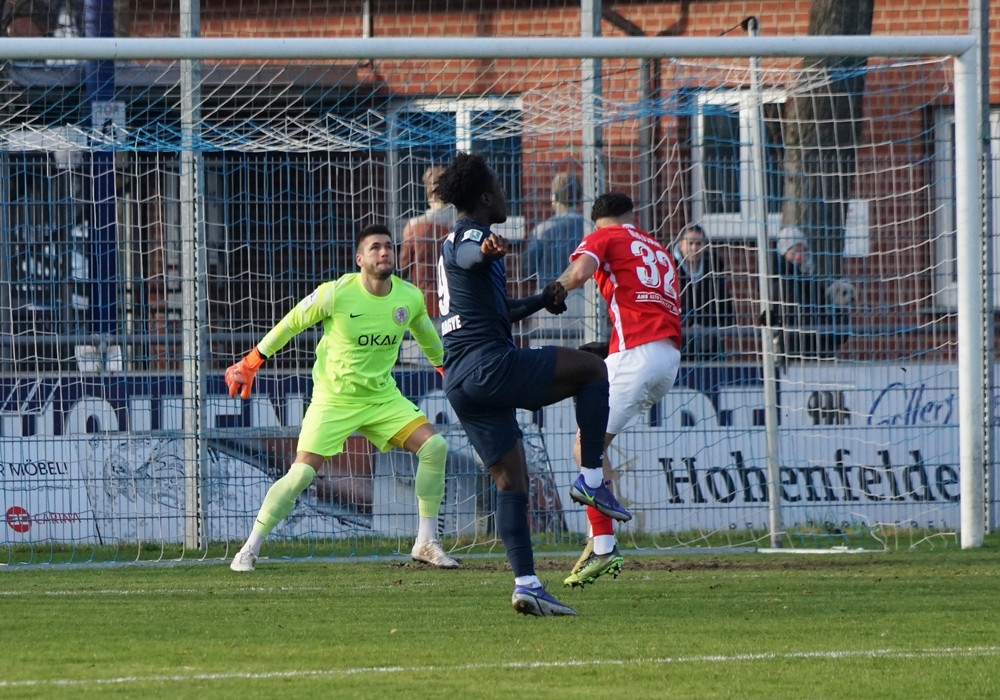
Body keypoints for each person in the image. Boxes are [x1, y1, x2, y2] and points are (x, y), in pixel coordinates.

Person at [435, 152, 629, 617]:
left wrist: (543, 299)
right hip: (489, 365)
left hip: (462, 381)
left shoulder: (456, 239)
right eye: (500, 187)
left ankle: (527, 584)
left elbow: (497, 311)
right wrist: (485, 252)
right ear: (486, 197)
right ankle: (592, 481)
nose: (507, 195)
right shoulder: (470, 236)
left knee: (511, 481)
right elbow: (469, 253)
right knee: (592, 370)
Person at [226, 223, 459, 572]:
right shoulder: (335, 294)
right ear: (359, 259)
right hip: (333, 400)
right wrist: (251, 362)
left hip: (381, 398)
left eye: (389, 246)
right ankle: (249, 549)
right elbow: (291, 323)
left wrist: (450, 375)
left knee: (435, 447)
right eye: (375, 247)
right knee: (300, 475)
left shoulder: (408, 297)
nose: (385, 252)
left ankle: (426, 542)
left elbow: (429, 341)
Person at [553, 192, 682, 588]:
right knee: (593, 444)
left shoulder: (604, 237)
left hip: (637, 356)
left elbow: (578, 273)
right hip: (669, 358)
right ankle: (599, 539)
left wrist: (552, 292)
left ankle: (604, 545)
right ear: (632, 216)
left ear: (597, 222)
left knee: (584, 447)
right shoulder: (658, 248)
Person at [768, 226, 852, 363]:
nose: (799, 256)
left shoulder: (807, 281)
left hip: (816, 354)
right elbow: (802, 319)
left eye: (803, 251)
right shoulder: (783, 284)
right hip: (798, 357)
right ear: (784, 254)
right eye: (794, 251)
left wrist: (836, 305)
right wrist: (834, 324)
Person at [399, 165, 456, 318]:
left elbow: (402, 268)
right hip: (456, 307)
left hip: (423, 306)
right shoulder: (462, 225)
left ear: (429, 190)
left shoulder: (414, 227)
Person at [673, 224, 734, 362]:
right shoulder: (670, 268)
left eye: (698, 244)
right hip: (680, 340)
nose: (694, 248)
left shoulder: (713, 269)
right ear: (681, 245)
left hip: (709, 338)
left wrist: (725, 325)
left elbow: (724, 300)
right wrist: (688, 326)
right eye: (690, 243)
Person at [521, 173, 586, 285]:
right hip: (585, 292)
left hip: (549, 290)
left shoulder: (542, 230)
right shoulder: (590, 228)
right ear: (580, 197)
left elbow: (527, 270)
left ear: (554, 197)